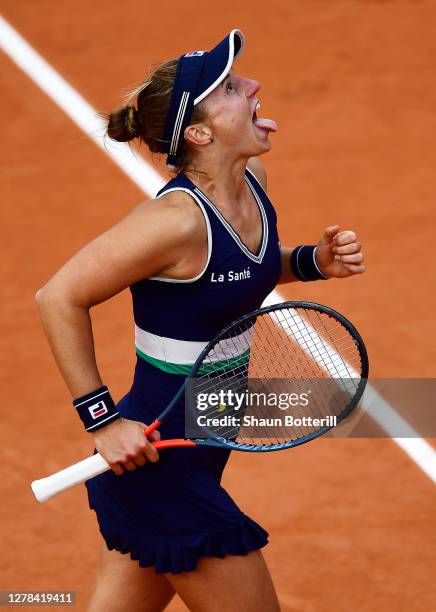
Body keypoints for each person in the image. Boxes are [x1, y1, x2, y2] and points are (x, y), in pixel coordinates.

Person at [35, 29, 365, 612]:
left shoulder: (251, 186)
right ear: (200, 132)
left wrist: (313, 263)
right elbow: (57, 297)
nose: (254, 86)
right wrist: (102, 421)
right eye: (233, 88)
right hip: (156, 461)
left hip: (201, 442)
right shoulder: (173, 222)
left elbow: (237, 273)